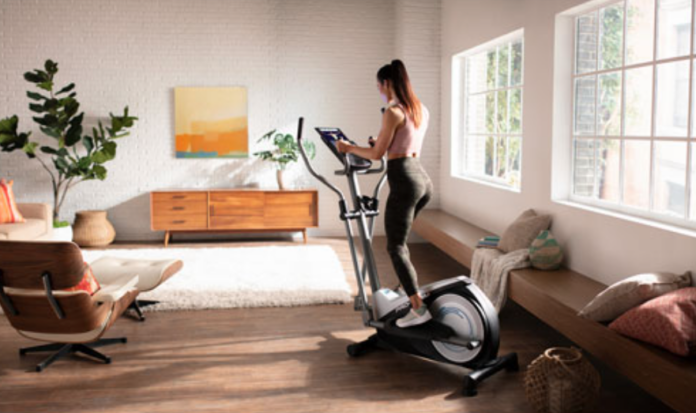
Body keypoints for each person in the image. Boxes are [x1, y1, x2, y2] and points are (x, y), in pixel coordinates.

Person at [337, 59, 433, 328]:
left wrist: (349, 148)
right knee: (400, 241)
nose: (379, 91)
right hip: (422, 180)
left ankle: (418, 309)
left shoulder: (392, 111)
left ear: (387, 83)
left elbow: (378, 154)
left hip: (404, 180)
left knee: (395, 246)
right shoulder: (420, 109)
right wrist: (376, 143)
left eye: (379, 86)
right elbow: (400, 144)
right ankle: (409, 289)